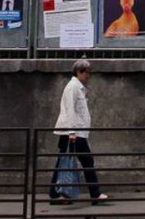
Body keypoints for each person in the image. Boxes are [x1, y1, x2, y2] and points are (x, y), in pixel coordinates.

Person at [50, 60, 109, 206]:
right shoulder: (73, 87)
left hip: (74, 132)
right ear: (79, 72)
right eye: (87, 72)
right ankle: (95, 194)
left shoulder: (77, 87)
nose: (88, 75)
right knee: (86, 161)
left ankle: (55, 194)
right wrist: (71, 132)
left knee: (62, 163)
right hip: (74, 133)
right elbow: (70, 110)